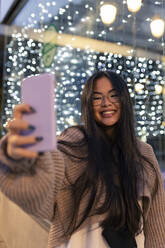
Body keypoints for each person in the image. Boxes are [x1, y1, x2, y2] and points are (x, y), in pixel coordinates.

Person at [0, 71, 164, 248]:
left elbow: (157, 224)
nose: (106, 103)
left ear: (124, 100)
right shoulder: (75, 141)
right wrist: (21, 157)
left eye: (113, 95)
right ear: (88, 104)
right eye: (96, 98)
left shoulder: (143, 153)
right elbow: (47, 178)